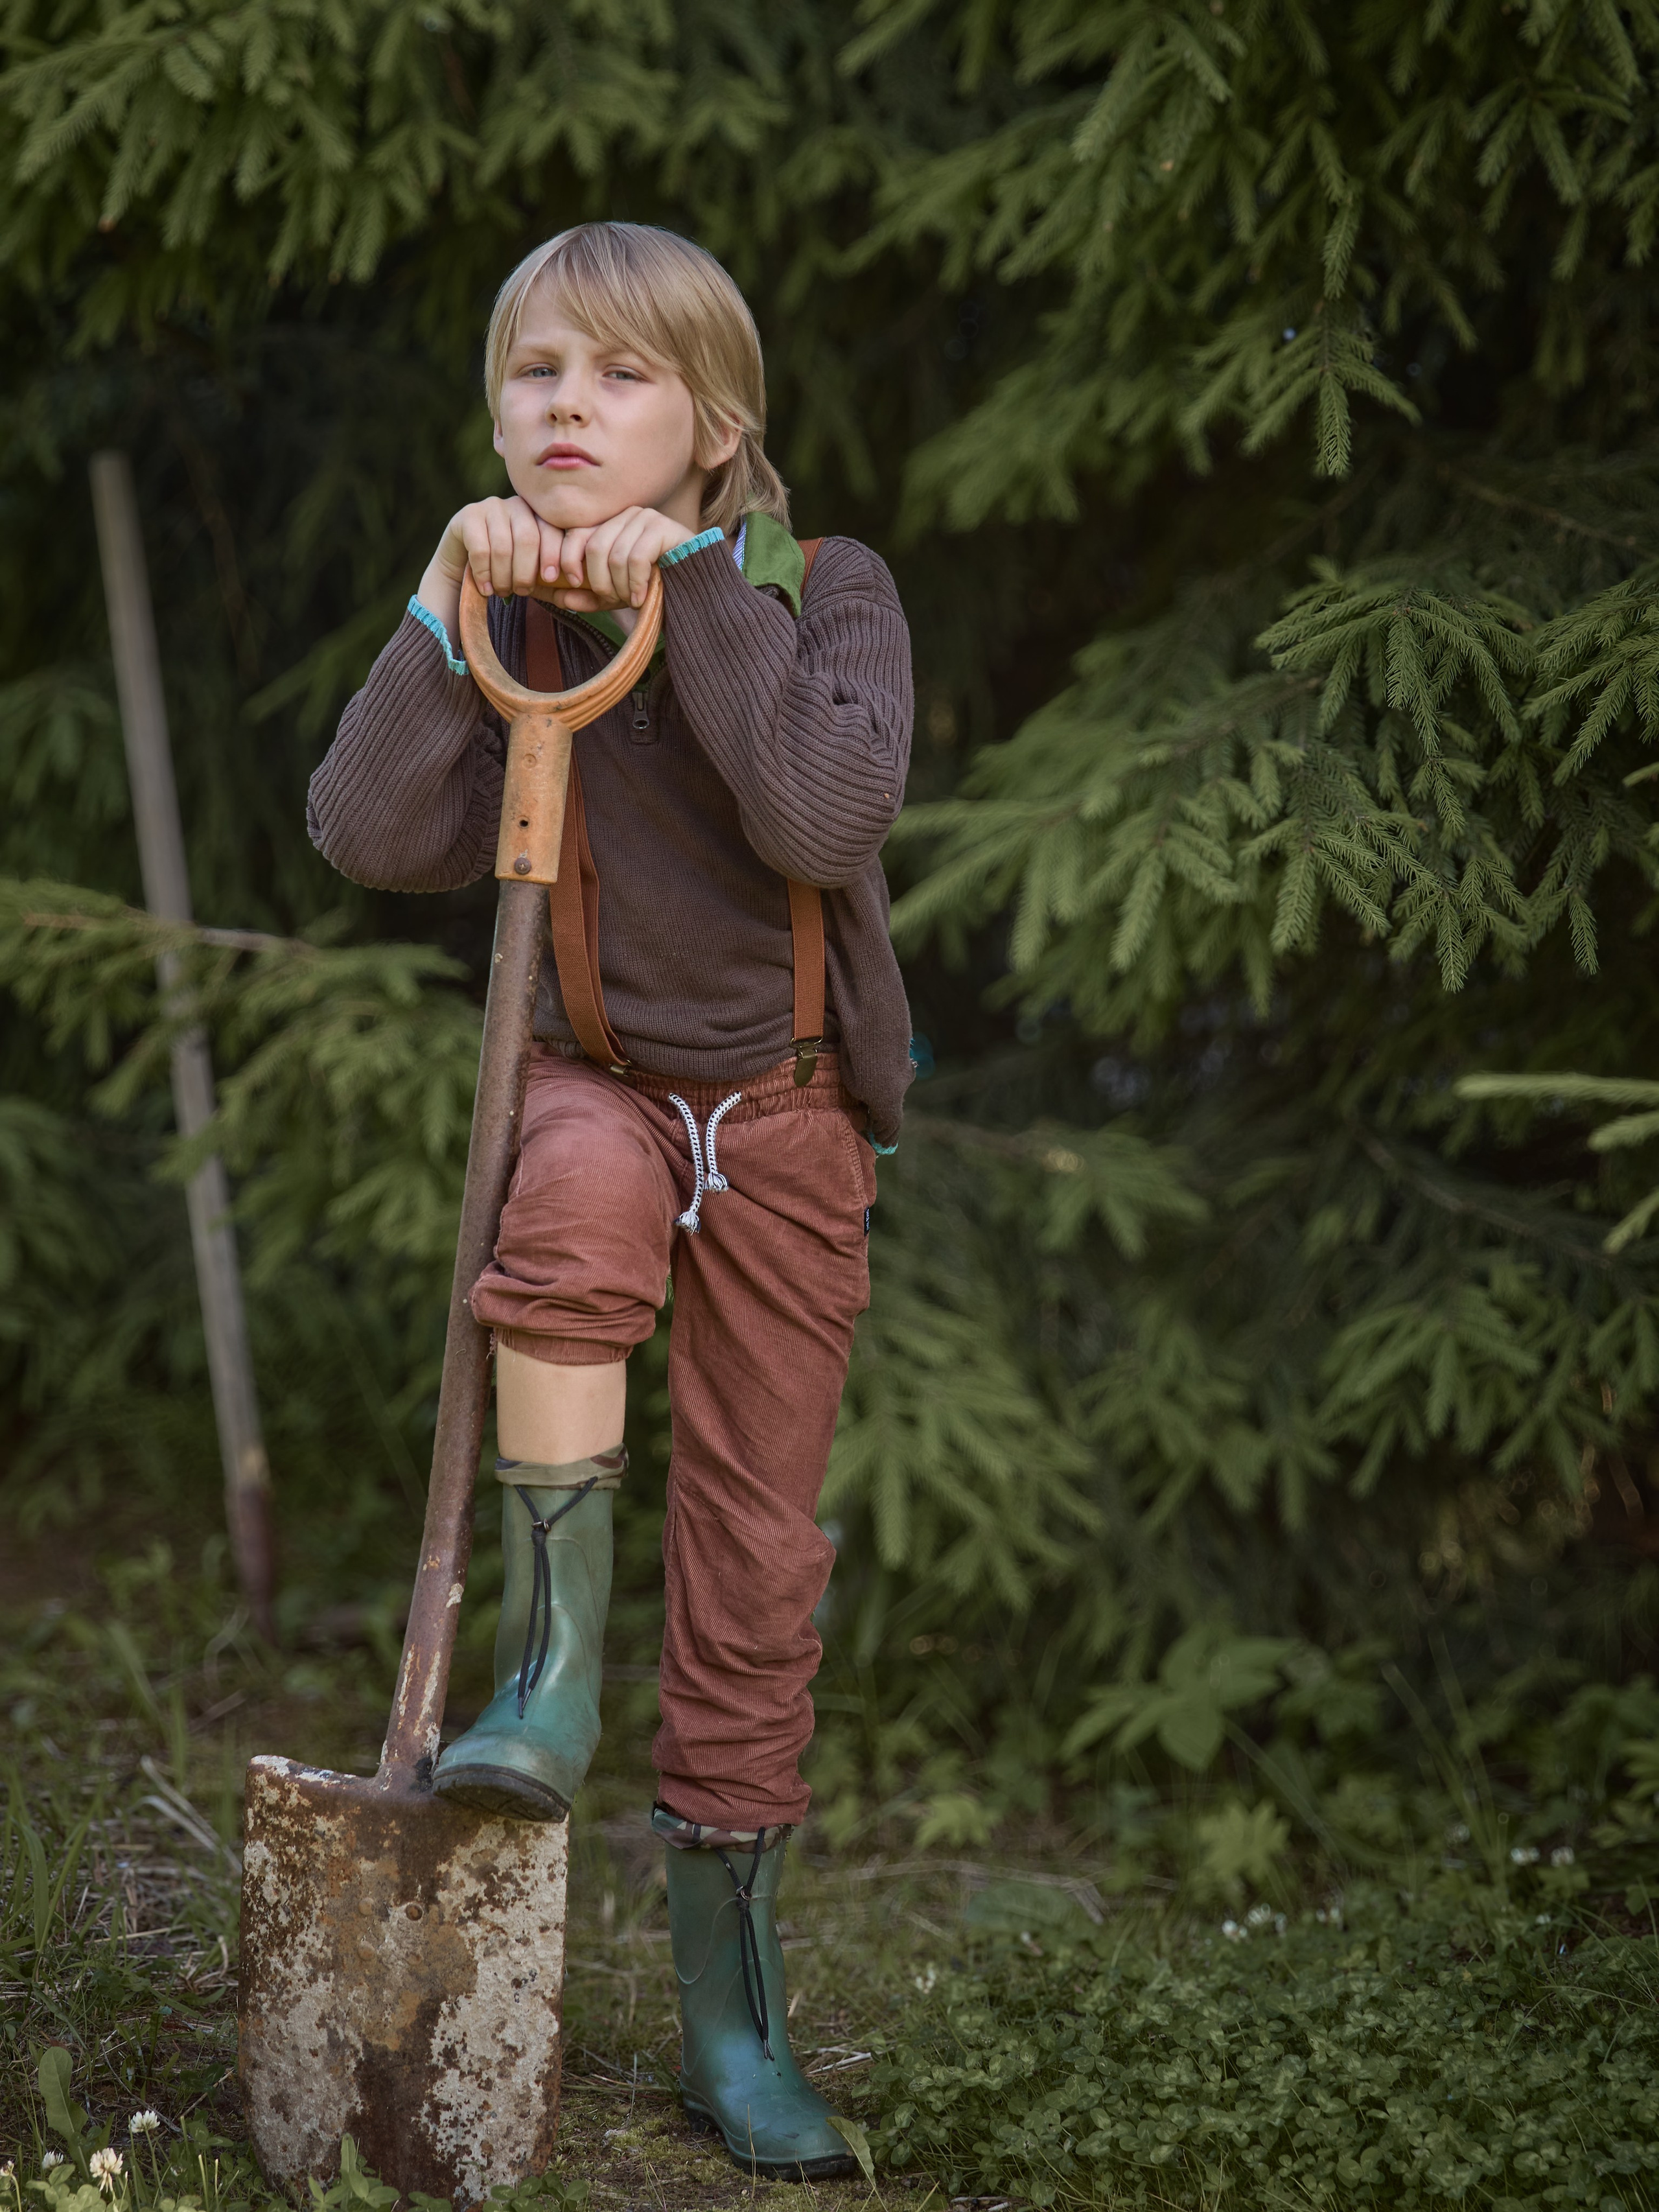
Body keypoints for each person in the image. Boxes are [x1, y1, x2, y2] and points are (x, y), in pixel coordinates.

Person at [307, 220, 912, 2181]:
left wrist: (695, 590)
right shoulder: (516, 623)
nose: (570, 408)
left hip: (793, 1115)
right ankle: (550, 1683)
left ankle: (734, 2018)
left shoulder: (823, 591)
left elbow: (820, 814)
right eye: (537, 376)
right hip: (604, 1082)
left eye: (621, 377)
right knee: (557, 1215)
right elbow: (369, 830)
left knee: (752, 1561)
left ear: (715, 430)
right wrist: (439, 600)